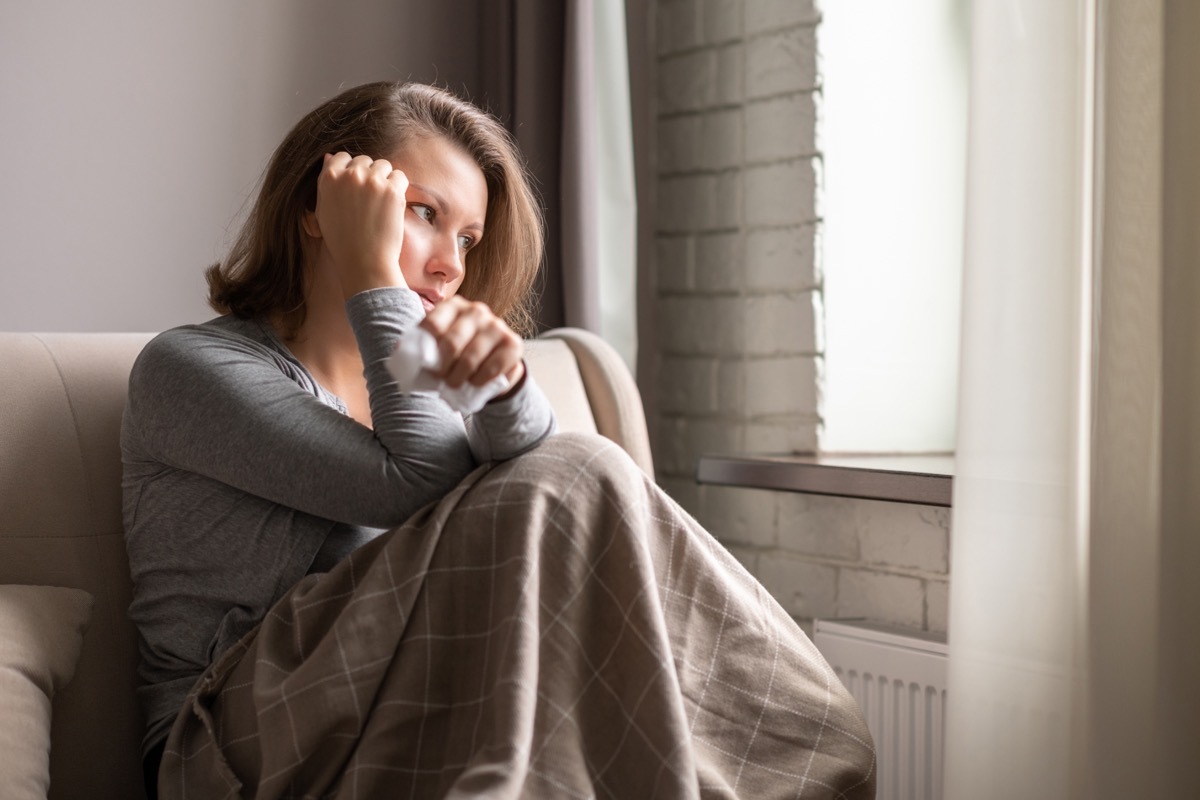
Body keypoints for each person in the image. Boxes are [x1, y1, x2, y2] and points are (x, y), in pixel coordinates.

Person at [123, 81, 875, 799]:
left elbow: (532, 471)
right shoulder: (188, 369)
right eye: (422, 212)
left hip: (404, 694)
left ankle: (799, 737)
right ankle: (801, 749)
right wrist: (373, 276)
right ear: (321, 207)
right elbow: (412, 484)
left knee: (578, 478)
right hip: (227, 741)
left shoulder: (410, 369)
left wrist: (501, 387)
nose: (452, 265)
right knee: (579, 468)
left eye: (469, 238)